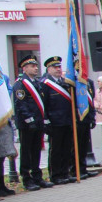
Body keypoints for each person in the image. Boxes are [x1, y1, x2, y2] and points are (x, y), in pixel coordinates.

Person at [12, 56, 51, 191]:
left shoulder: (37, 83)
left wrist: (44, 120)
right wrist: (30, 120)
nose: (36, 68)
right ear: (25, 68)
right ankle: (27, 178)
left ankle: (37, 176)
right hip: (27, 124)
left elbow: (41, 104)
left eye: (36, 65)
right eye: (32, 66)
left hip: (38, 122)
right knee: (27, 151)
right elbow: (21, 104)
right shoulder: (20, 84)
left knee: (36, 151)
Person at [41, 56, 75, 185]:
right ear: (48, 69)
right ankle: (55, 175)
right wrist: (46, 121)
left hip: (66, 120)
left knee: (67, 148)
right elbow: (43, 104)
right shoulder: (45, 84)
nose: (58, 69)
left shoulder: (65, 82)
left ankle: (65, 172)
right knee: (56, 149)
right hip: (54, 122)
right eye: (55, 67)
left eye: (59, 67)